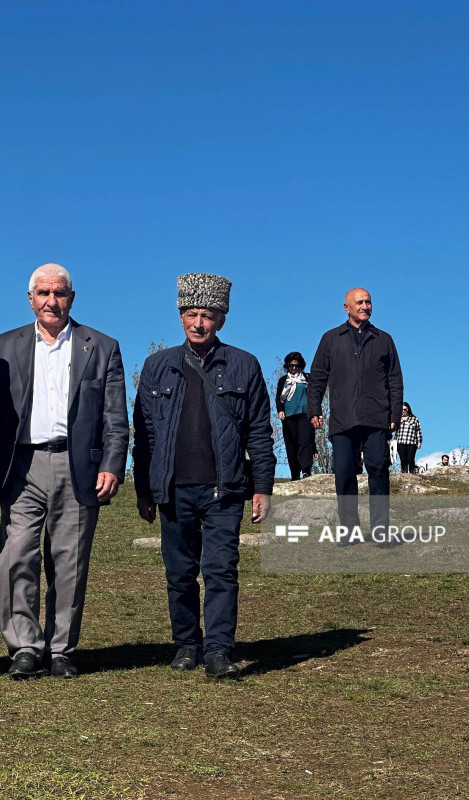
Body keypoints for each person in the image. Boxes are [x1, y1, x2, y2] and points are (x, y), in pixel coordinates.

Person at [0, 264, 129, 680]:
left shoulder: (101, 346)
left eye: (59, 293)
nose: (51, 301)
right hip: (20, 465)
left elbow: (116, 417)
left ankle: (62, 648)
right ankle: (25, 646)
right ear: (30, 299)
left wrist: (113, 465)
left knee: (70, 560)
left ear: (71, 298)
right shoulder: (4, 345)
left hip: (77, 465)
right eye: (43, 293)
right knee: (16, 557)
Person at [133, 273, 276, 680]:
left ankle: (218, 650)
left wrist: (262, 487)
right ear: (180, 317)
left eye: (208, 316)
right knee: (179, 573)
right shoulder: (157, 366)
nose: (199, 323)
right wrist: (144, 488)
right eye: (192, 314)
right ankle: (186, 644)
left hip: (225, 488)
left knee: (220, 571)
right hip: (172, 488)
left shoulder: (244, 365)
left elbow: (260, 432)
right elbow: (141, 435)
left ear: (221, 320)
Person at [307, 287, 402, 537]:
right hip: (343, 418)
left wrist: (394, 415)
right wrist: (313, 408)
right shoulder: (331, 338)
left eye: (368, 302)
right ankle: (349, 530)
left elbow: (395, 379)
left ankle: (381, 529)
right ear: (346, 307)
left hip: (376, 417)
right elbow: (317, 376)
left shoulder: (384, 339)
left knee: (379, 470)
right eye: (359, 302)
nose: (365, 306)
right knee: (344, 473)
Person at [275, 351, 316, 480]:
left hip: (305, 413)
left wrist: (315, 413)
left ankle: (306, 470)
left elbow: (314, 396)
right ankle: (295, 474)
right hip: (289, 415)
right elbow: (279, 398)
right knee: (292, 445)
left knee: (305, 441)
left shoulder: (307, 378)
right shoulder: (283, 380)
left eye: (296, 366)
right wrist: (280, 410)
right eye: (291, 366)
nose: (294, 368)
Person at [394, 402, 423, 474]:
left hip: (411, 442)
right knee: (403, 460)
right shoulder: (398, 419)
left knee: (410, 459)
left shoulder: (414, 419)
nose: (403, 411)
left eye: (404, 409)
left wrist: (419, 442)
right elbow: (395, 431)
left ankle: (412, 473)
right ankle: (404, 474)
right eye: (401, 410)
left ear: (408, 409)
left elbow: (418, 431)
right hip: (400, 442)